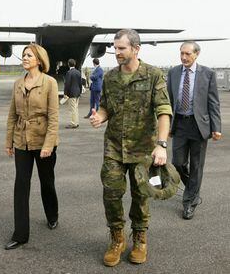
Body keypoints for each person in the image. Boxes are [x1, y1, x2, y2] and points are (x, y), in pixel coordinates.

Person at [90, 29, 172, 266]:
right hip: (114, 148)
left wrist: (162, 145)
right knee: (112, 194)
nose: (116, 52)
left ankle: (139, 238)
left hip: (143, 149)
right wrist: (100, 117)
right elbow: (106, 107)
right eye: (115, 48)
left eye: (121, 48)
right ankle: (117, 238)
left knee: (140, 195)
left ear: (136, 49)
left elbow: (164, 111)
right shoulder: (111, 77)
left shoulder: (153, 75)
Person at [5, 43, 59, 250]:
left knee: (47, 183)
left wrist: (48, 144)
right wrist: (9, 141)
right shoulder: (18, 83)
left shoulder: (50, 82)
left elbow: (53, 117)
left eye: (29, 55)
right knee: (21, 185)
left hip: (43, 140)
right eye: (23, 55)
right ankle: (20, 234)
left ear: (39, 60)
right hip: (21, 140)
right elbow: (12, 115)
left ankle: (52, 215)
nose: (24, 58)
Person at [167, 41, 221, 220]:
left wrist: (216, 127)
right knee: (178, 163)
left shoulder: (208, 74)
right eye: (181, 53)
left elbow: (213, 102)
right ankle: (193, 189)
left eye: (187, 54)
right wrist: (166, 124)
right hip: (180, 124)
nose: (183, 57)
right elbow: (168, 101)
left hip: (199, 126)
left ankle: (189, 202)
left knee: (197, 166)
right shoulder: (173, 72)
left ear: (196, 54)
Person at [63, 58, 82, 129]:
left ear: (68, 64)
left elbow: (67, 84)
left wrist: (65, 93)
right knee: (76, 108)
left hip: (71, 93)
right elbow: (80, 83)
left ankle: (73, 123)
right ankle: (76, 122)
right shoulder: (78, 72)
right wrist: (80, 92)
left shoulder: (69, 73)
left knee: (72, 109)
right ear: (75, 64)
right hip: (77, 93)